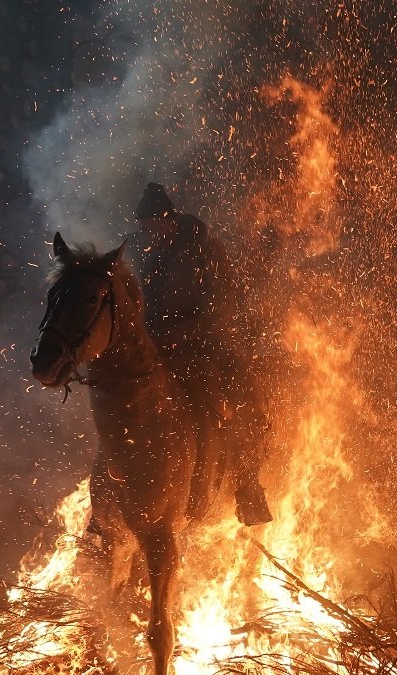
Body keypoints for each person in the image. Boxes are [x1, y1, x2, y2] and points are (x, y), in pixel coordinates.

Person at [131, 182, 272, 525]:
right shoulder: (149, 254)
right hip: (159, 346)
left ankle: (247, 487)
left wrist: (177, 337)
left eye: (153, 226)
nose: (150, 233)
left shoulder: (206, 250)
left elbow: (219, 308)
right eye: (145, 228)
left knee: (248, 403)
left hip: (208, 345)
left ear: (168, 220)